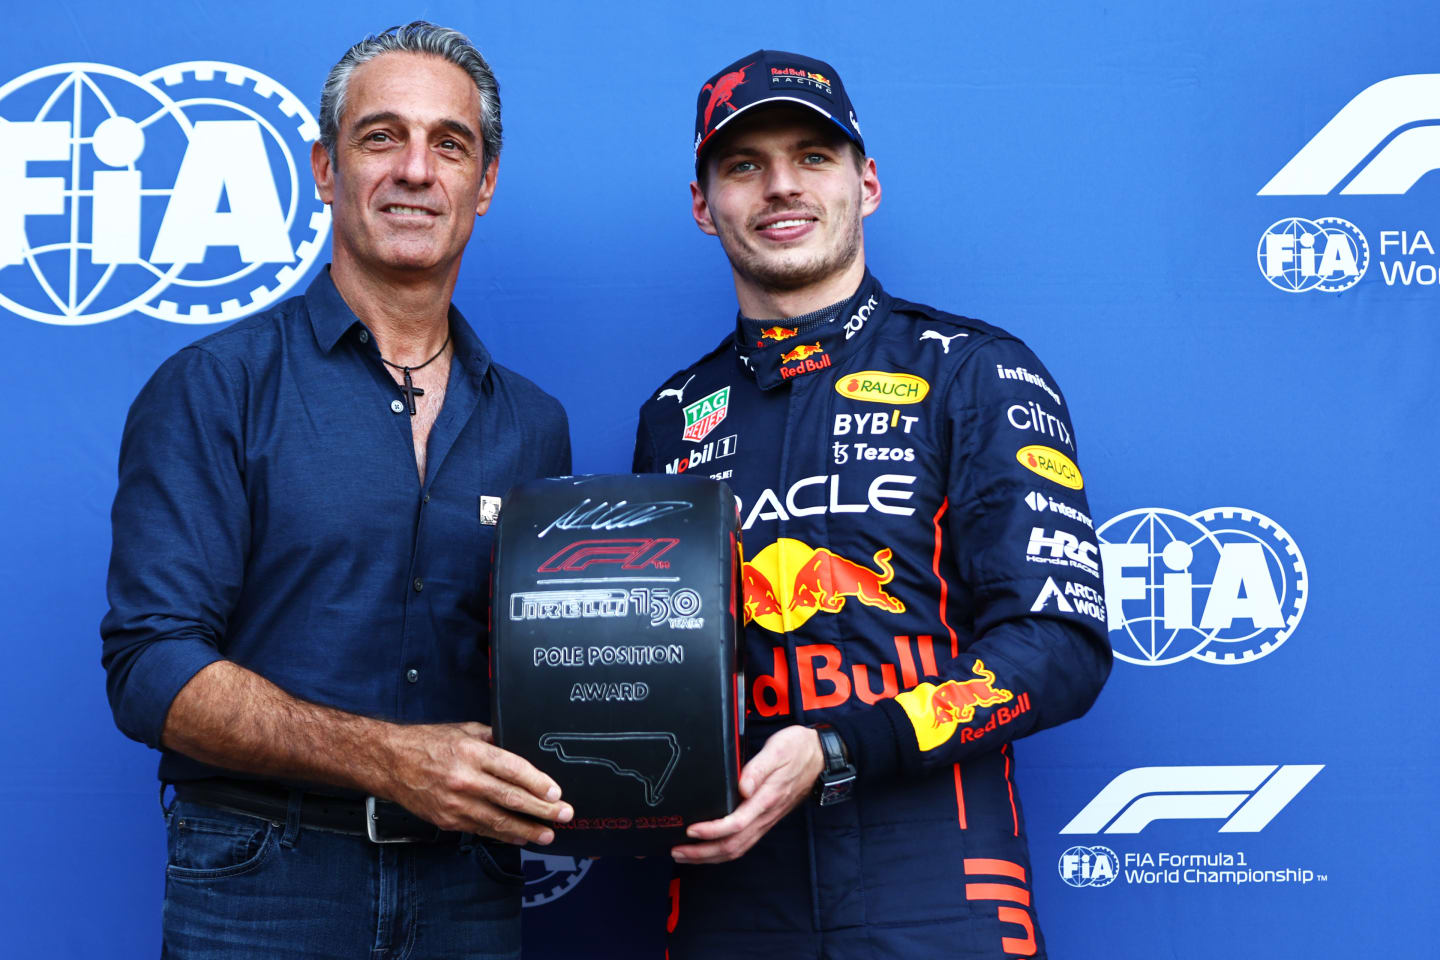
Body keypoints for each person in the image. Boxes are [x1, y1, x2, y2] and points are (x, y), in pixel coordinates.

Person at [101, 21, 572, 959]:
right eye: (380, 136)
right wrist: (391, 759)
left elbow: (556, 665)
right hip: (260, 879)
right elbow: (149, 670)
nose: (415, 170)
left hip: (468, 886)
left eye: (450, 144)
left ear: (482, 185)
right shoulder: (216, 386)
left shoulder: (532, 424)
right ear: (325, 168)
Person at [632, 50, 1112, 959]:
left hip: (937, 874)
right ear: (705, 205)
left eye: (813, 156)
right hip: (734, 880)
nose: (781, 187)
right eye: (744, 166)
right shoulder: (672, 418)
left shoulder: (971, 369)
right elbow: (658, 660)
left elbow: (1061, 647)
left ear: (868, 182)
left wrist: (845, 745)